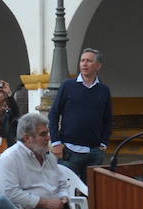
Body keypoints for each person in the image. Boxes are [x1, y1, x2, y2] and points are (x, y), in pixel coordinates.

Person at [48, 47, 113, 182]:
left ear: (98, 66)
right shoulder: (68, 86)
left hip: (94, 152)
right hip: (69, 151)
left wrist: (104, 143)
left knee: (91, 192)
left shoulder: (103, 90)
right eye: (82, 60)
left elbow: (108, 119)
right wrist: (56, 142)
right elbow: (54, 114)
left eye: (89, 61)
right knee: (65, 189)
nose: (84, 64)